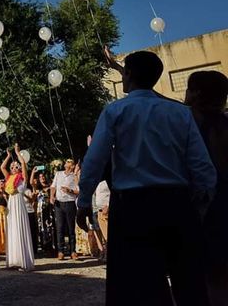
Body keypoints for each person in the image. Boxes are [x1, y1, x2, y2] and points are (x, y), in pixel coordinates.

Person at [77, 50, 217, 306]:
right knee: (189, 282)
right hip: (177, 204)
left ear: (128, 74)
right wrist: (198, 207)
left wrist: (84, 201)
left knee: (137, 286)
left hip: (133, 207)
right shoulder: (180, 113)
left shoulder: (115, 111)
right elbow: (202, 167)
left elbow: (94, 160)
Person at [185, 70, 228, 305]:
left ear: (196, 94)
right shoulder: (222, 123)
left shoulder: (190, 127)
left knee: (209, 278)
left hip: (207, 209)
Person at [0, 145, 35, 271]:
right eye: (12, 167)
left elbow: (23, 163)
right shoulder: (9, 178)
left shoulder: (22, 178)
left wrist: (17, 152)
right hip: (11, 204)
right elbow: (2, 167)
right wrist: (8, 156)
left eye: (16, 167)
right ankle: (14, 260)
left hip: (19, 204)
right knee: (12, 229)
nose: (13, 168)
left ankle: (24, 261)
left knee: (20, 228)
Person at [50, 159, 79, 260]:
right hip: (59, 203)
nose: (67, 163)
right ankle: (61, 251)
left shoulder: (74, 176)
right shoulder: (58, 174)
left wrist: (69, 190)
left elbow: (78, 191)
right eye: (67, 161)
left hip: (70, 203)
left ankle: (73, 251)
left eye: (69, 161)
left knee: (71, 228)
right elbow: (53, 186)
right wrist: (51, 197)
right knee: (60, 227)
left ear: (72, 165)